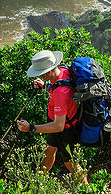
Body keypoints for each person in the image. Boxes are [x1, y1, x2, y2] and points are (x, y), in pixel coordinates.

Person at [17, 49, 89, 186]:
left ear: (49, 71)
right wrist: (46, 86)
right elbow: (61, 85)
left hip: (65, 131)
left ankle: (88, 192)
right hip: (56, 125)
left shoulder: (60, 93)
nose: (40, 76)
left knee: (71, 163)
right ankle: (37, 183)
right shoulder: (62, 70)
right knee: (49, 151)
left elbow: (58, 125)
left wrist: (31, 128)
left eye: (41, 74)